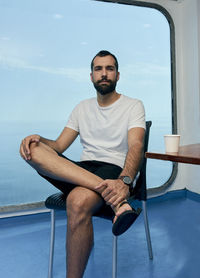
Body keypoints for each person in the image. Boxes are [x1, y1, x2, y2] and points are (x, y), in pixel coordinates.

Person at [19, 50, 146, 278]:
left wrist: (124, 181)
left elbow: (136, 145)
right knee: (34, 149)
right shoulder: (81, 107)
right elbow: (57, 146)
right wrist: (39, 139)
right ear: (91, 76)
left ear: (118, 75)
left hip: (113, 170)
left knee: (77, 201)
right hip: (82, 170)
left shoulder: (133, 105)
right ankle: (118, 203)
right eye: (99, 69)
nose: (104, 74)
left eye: (109, 69)